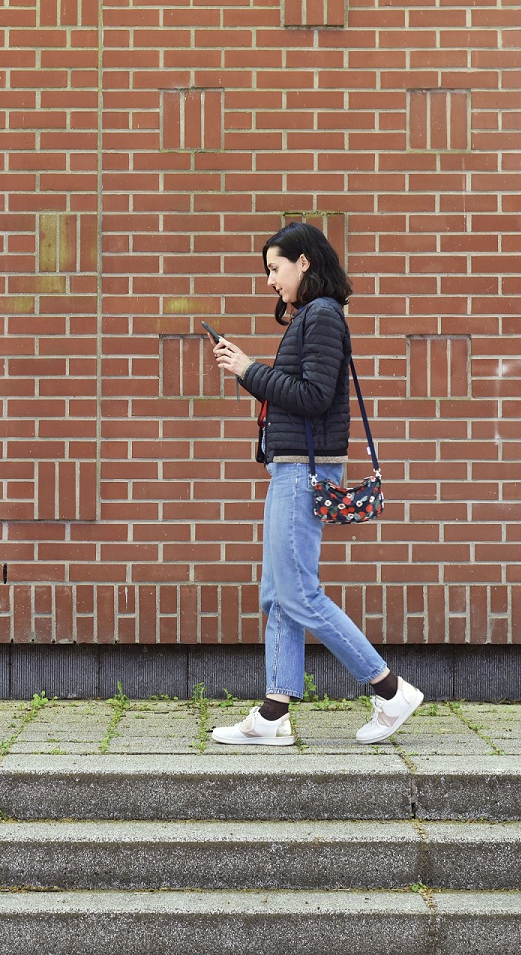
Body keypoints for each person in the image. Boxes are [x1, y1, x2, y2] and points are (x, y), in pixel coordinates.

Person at [207, 221, 422, 746]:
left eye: (275, 269)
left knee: (299, 594)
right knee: (278, 593)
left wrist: (247, 369)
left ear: (304, 263)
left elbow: (314, 395)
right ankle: (273, 716)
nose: (270, 281)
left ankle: (390, 689)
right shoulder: (311, 317)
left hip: (305, 470)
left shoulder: (322, 315)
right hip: (291, 467)